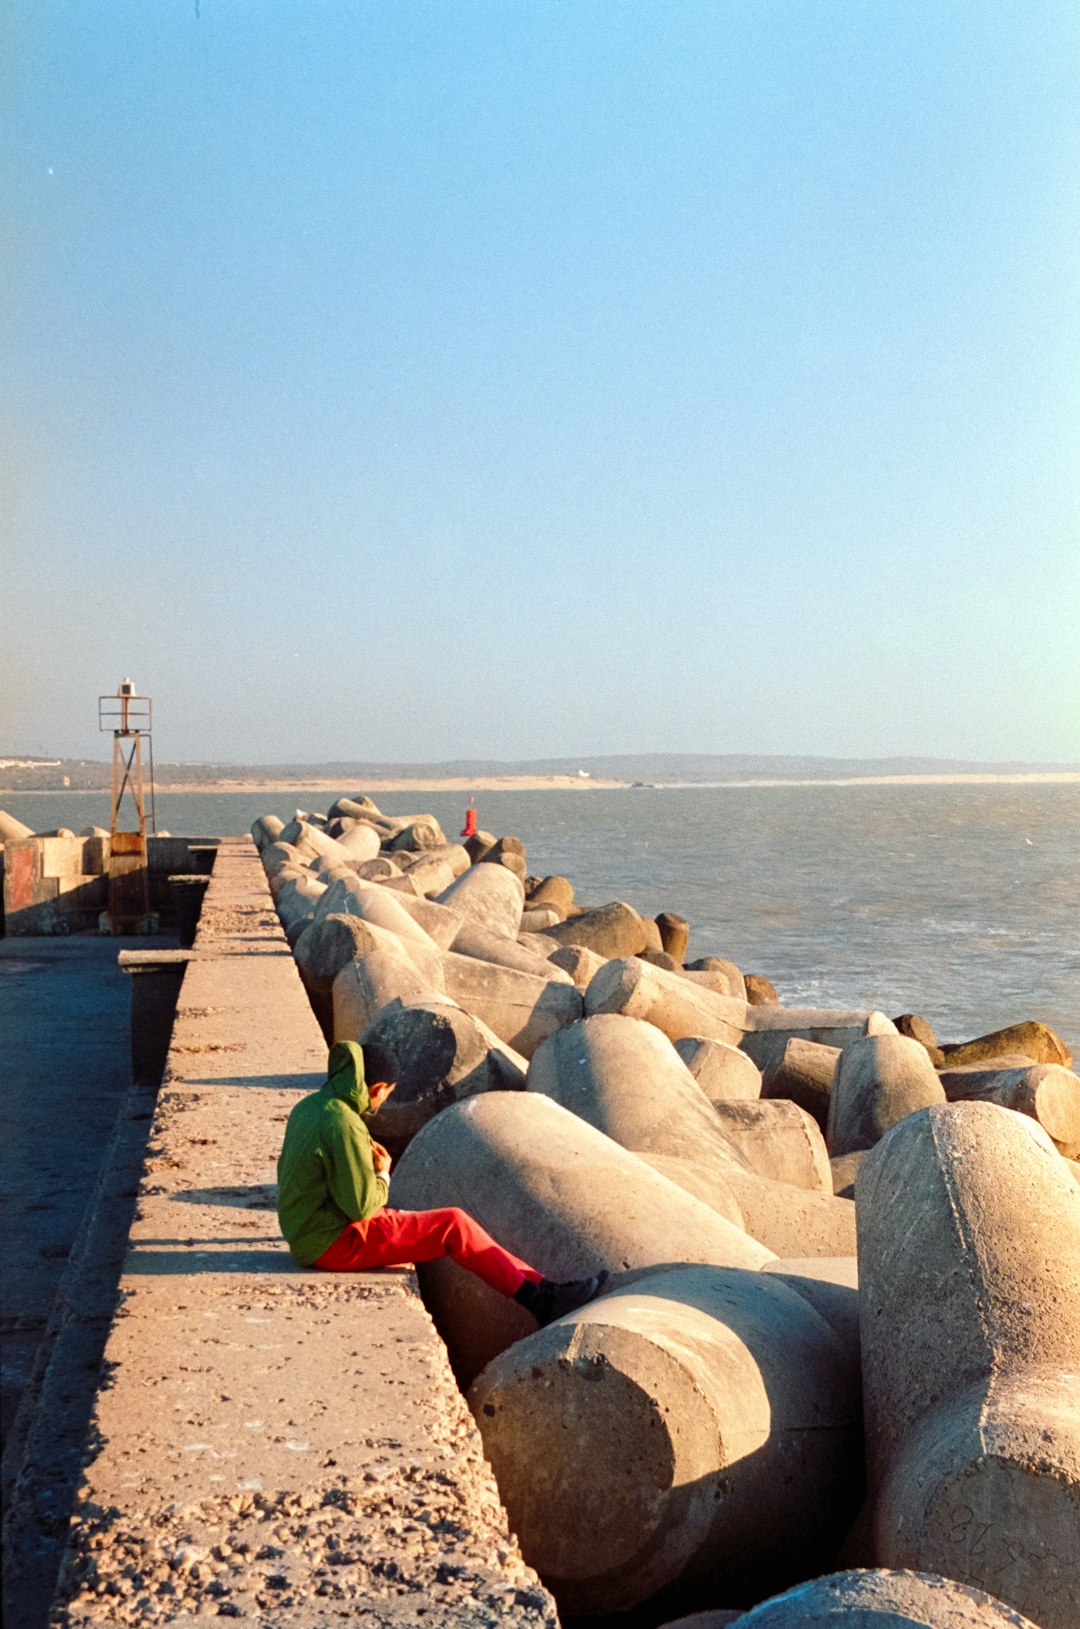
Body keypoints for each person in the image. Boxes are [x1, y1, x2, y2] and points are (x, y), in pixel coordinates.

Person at [276, 1038, 608, 1327]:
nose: (380, 1104)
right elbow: (362, 1207)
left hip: (312, 1230)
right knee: (453, 1225)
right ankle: (538, 1301)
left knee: (442, 1221)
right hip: (330, 1243)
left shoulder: (312, 1106)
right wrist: (381, 1173)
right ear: (377, 1089)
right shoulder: (344, 1123)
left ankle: (544, 1288)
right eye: (385, 1096)